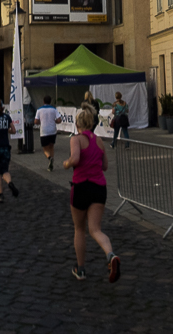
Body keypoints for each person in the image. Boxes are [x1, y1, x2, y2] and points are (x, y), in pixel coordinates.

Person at [64, 108, 120, 283]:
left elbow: (75, 159)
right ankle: (110, 255)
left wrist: (66, 164)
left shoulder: (76, 139)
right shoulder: (100, 141)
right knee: (95, 229)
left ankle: (80, 270)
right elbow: (105, 166)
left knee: (79, 229)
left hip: (81, 186)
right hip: (99, 188)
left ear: (77, 124)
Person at [34, 95, 61, 171]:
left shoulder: (39, 110)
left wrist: (40, 121)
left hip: (44, 131)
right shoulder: (54, 109)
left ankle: (49, 158)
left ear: (43, 101)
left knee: (45, 149)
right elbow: (59, 120)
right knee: (51, 146)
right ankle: (51, 161)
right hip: (52, 131)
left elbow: (36, 121)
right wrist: (54, 121)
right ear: (50, 101)